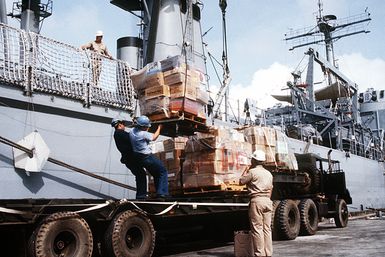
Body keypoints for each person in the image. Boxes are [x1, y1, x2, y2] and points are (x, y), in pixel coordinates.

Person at [239, 150, 273, 257]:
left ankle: (260, 254)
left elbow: (241, 181)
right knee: (267, 229)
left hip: (257, 201)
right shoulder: (269, 174)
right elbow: (271, 188)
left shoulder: (252, 172)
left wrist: (245, 170)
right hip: (268, 201)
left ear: (254, 160)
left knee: (257, 229)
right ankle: (268, 253)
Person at [129, 115, 169, 198]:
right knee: (163, 171)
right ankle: (162, 193)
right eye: (146, 127)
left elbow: (138, 127)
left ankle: (159, 193)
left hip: (138, 157)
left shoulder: (132, 131)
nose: (147, 128)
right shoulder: (143, 134)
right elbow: (154, 137)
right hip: (147, 157)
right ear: (143, 127)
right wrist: (159, 128)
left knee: (156, 173)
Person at [111, 118, 148, 199]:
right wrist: (137, 128)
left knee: (140, 174)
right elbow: (132, 138)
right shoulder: (120, 133)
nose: (124, 126)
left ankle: (141, 195)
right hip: (131, 159)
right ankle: (141, 195)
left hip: (129, 160)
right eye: (123, 124)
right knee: (141, 174)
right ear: (120, 125)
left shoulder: (118, 134)